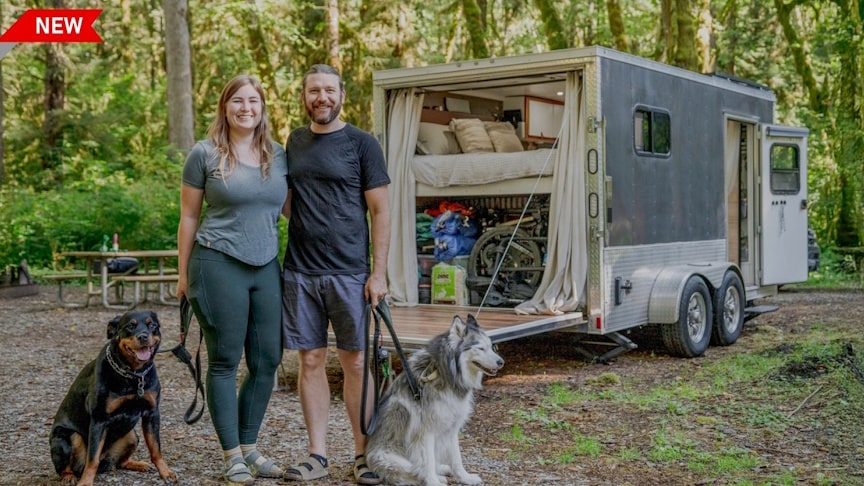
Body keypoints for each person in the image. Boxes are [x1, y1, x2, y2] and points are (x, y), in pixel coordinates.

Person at [280, 64, 390, 485]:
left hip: (350, 272)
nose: (321, 97)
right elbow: (288, 201)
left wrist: (378, 273)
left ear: (342, 95)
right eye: (314, 91)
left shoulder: (363, 144)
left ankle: (363, 455)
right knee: (310, 360)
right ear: (304, 96)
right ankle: (317, 455)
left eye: (329, 90)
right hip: (301, 271)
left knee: (356, 362)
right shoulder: (294, 141)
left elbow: (380, 211)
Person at [177, 74, 288, 485]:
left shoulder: (278, 155)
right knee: (224, 360)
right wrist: (182, 275)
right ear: (225, 107)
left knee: (267, 360)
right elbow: (189, 216)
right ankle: (232, 455)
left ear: (262, 108)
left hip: (266, 265)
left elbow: (293, 210)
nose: (246, 108)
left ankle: (250, 447)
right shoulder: (204, 154)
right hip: (217, 262)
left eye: (253, 101)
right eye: (238, 101)